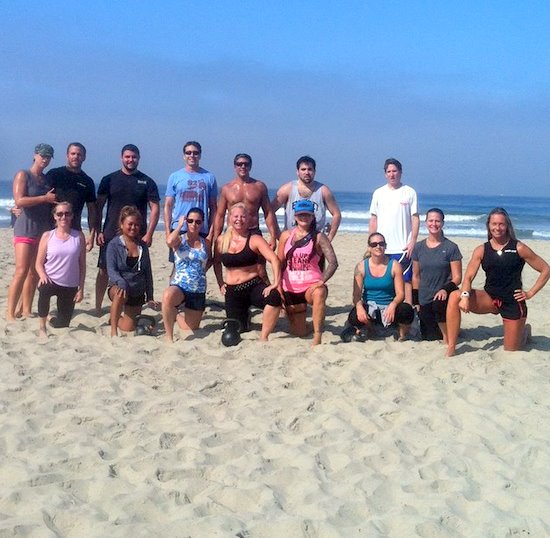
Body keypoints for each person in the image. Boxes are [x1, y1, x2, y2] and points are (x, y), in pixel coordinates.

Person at [446, 208, 550, 357]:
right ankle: (451, 346)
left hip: (512, 301)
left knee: (511, 350)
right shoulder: (481, 249)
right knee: (454, 296)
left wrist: (530, 293)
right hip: (489, 298)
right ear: (488, 225)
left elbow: (546, 269)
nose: (497, 228)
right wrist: (465, 295)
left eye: (501, 224)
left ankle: (524, 332)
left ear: (507, 225)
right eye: (494, 224)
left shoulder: (518, 247)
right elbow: (468, 277)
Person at [95, 144, 160, 315]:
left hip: (136, 234)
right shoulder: (109, 180)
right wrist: (97, 230)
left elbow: (155, 208)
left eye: (134, 157)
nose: (130, 160)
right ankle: (98, 307)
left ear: (139, 158)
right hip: (110, 232)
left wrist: (150, 233)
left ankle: (129, 301)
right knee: (103, 269)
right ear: (121, 157)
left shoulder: (147, 181)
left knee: (136, 269)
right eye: (127, 157)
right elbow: (98, 206)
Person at [214, 203, 282, 342]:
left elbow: (274, 259)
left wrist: (275, 283)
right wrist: (220, 283)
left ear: (249, 220)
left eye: (243, 216)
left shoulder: (254, 239)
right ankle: (246, 316)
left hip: (253, 286)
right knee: (238, 329)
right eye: (236, 216)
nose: (239, 219)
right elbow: (216, 262)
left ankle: (264, 336)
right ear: (230, 218)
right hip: (232, 291)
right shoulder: (221, 240)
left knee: (274, 298)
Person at [6, 143, 56, 321]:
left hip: (42, 230)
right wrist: (44, 198)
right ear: (35, 155)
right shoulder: (23, 174)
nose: (45, 159)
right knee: (21, 270)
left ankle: (26, 309)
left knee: (34, 272)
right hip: (25, 228)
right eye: (42, 155)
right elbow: (19, 201)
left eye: (48, 156)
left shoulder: (46, 179)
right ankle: (10, 313)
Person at [277, 199, 338, 346]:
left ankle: (318, 335)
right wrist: (277, 285)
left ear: (312, 217)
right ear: (295, 217)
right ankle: (310, 324)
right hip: (290, 288)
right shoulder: (286, 236)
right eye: (300, 215)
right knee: (299, 332)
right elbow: (279, 262)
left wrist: (321, 281)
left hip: (311, 287)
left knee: (319, 293)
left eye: (307, 215)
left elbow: (333, 263)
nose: (304, 218)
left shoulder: (319, 237)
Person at [341, 232, 414, 342]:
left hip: (390, 309)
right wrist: (359, 306)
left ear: (385, 246)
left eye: (381, 244)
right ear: (369, 247)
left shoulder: (394, 265)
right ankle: (371, 329)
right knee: (354, 315)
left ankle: (402, 334)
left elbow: (401, 294)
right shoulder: (361, 267)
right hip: (371, 308)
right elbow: (356, 295)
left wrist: (393, 305)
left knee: (406, 310)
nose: (378, 247)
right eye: (374, 244)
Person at [369, 158, 419, 304]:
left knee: (405, 282)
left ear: (400, 172)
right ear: (385, 174)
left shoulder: (409, 192)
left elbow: (415, 218)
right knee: (385, 281)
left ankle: (408, 314)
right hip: (382, 247)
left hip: (403, 247)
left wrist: (413, 241)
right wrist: (371, 243)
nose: (392, 174)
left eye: (394, 171)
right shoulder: (378, 193)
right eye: (389, 172)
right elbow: (373, 219)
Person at [35, 202, 86, 337]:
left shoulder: (79, 236)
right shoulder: (47, 236)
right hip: (51, 279)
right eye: (60, 214)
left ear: (72, 216)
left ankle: (50, 318)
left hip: (70, 284)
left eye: (67, 214)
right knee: (44, 289)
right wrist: (42, 275)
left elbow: (82, 264)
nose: (63, 217)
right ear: (55, 217)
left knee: (62, 324)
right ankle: (42, 328)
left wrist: (81, 288)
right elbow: (38, 263)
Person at [412, 208, 462, 342]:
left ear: (442, 223)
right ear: (426, 222)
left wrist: (445, 289)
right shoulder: (418, 247)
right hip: (425, 299)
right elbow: (415, 276)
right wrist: (416, 301)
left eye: (437, 221)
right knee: (430, 337)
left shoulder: (451, 247)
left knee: (439, 307)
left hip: (443, 298)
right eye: (431, 220)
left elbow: (457, 277)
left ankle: (449, 336)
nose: (434, 224)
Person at [106, 206, 157, 337]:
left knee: (128, 328)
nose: (133, 227)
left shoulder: (142, 246)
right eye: (130, 224)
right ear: (122, 225)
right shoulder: (114, 245)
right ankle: (113, 331)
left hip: (137, 290)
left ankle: (114, 318)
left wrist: (150, 296)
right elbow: (111, 270)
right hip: (119, 286)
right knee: (120, 292)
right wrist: (120, 281)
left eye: (136, 225)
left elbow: (147, 272)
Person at [162, 208, 210, 342]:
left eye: (198, 222)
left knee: (191, 327)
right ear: (186, 222)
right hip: (179, 286)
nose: (194, 224)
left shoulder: (206, 243)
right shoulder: (179, 240)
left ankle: (176, 315)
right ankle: (169, 336)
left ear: (202, 223)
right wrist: (178, 226)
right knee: (168, 296)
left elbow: (209, 261)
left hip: (198, 289)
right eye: (190, 221)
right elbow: (169, 241)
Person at [213, 153, 278, 247]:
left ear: (250, 166)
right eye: (239, 164)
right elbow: (220, 215)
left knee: (258, 261)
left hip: (253, 230)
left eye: (246, 164)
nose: (243, 166)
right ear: (235, 166)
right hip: (232, 231)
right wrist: (216, 238)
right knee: (232, 261)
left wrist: (272, 235)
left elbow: (268, 212)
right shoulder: (227, 189)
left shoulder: (259, 187)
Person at [272, 155, 341, 241]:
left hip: (315, 240)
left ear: (314, 171)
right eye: (303, 169)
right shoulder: (287, 189)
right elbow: (270, 212)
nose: (307, 172)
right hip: (292, 240)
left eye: (310, 169)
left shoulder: (323, 190)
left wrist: (329, 237)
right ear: (297, 172)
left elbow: (336, 214)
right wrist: (277, 234)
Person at [164, 141, 217, 249]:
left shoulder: (209, 177)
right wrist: (167, 231)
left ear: (200, 155)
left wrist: (211, 233)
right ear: (184, 156)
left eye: (195, 153)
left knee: (201, 263)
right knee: (178, 264)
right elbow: (168, 205)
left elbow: (213, 208)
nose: (192, 155)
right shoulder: (174, 177)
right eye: (188, 153)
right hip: (180, 227)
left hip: (201, 228)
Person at [46, 142, 97, 251]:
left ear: (84, 157)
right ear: (67, 155)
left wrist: (91, 235)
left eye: (79, 154)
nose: (76, 157)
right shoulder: (54, 174)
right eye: (73, 153)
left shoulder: (87, 181)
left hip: (74, 230)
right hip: (51, 228)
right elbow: (40, 195)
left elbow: (92, 211)